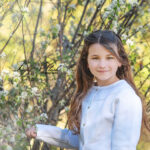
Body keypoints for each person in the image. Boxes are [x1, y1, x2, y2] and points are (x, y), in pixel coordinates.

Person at [26, 30, 143, 150]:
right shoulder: (89, 93)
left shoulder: (125, 98)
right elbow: (79, 140)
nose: (102, 64)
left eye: (109, 58)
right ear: (86, 62)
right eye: (95, 58)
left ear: (120, 61)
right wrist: (41, 131)